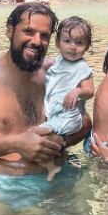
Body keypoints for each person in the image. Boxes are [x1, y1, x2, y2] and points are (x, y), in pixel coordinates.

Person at [0, 3, 91, 205]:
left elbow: (85, 121)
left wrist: (61, 141)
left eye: (44, 35)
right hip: (11, 183)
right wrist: (15, 143)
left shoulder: (54, 71)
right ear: (10, 30)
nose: (36, 41)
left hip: (63, 173)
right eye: (28, 31)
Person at [40, 16, 94, 180]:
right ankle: (55, 165)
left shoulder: (82, 67)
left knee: (35, 133)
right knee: (48, 140)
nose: (73, 47)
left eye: (79, 43)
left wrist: (77, 92)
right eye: (67, 41)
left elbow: (90, 91)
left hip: (69, 118)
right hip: (58, 113)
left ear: (87, 47)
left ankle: (52, 165)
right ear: (57, 43)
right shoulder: (56, 63)